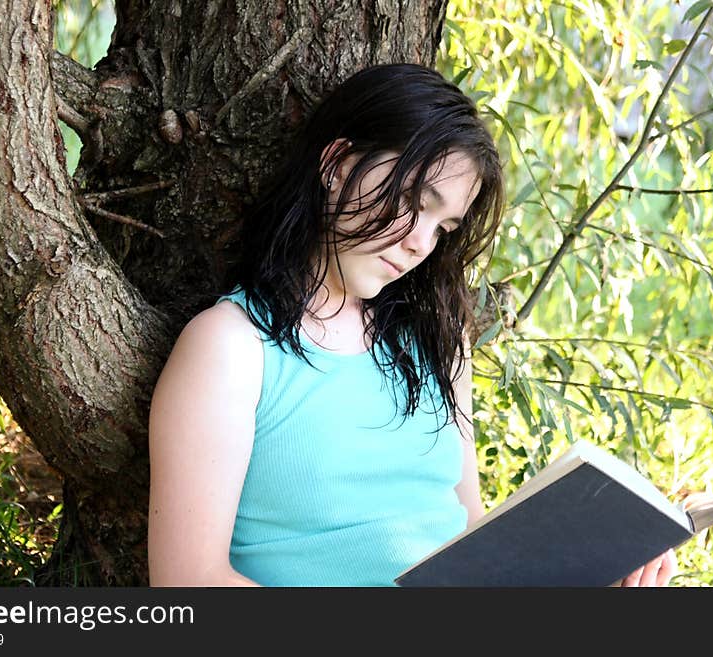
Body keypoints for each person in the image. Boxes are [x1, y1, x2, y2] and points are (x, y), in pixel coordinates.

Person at [147, 63, 676, 587]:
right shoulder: (231, 347)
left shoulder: (438, 343)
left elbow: (472, 543)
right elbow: (188, 582)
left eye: (443, 227)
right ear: (336, 164)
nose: (422, 243)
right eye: (414, 201)